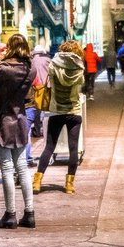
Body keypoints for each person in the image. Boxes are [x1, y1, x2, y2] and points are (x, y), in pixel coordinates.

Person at [0, 33, 36, 228]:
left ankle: (10, 214)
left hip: (3, 121)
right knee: (22, 168)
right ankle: (29, 214)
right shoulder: (31, 68)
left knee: (7, 169)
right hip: (21, 120)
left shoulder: (4, 69)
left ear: (10, 47)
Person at [33, 40, 85, 196]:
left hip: (56, 111)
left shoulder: (53, 65)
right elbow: (81, 84)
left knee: (49, 147)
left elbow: (49, 85)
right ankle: (69, 185)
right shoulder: (79, 67)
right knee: (73, 149)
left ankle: (37, 182)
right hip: (74, 111)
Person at [27, 42, 50, 142]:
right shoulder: (47, 60)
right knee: (46, 109)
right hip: (46, 86)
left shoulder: (31, 61)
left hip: (34, 87)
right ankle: (46, 130)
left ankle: (37, 129)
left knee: (36, 109)